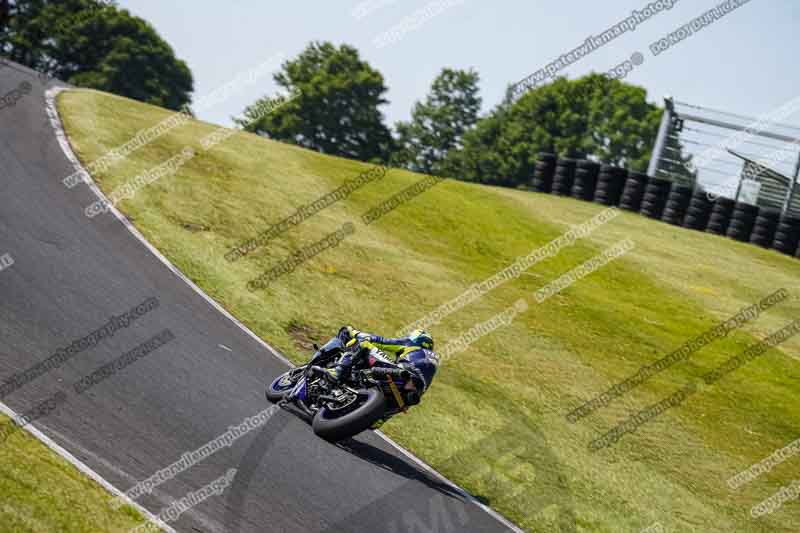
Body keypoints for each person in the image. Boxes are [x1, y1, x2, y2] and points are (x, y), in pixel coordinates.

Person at [324, 326, 439, 409]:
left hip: (402, 373)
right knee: (402, 404)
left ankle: (338, 371)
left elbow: (381, 341)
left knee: (363, 344)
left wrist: (353, 331)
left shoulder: (412, 345)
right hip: (411, 395)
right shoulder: (433, 362)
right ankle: (380, 418)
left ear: (417, 338)